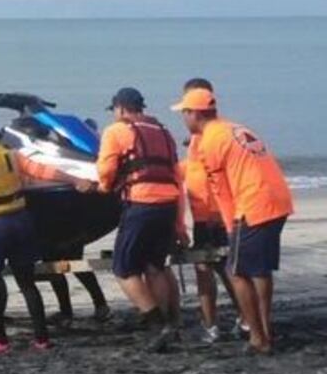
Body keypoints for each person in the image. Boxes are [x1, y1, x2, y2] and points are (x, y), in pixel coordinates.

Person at [0, 119, 96, 353]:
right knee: (27, 283)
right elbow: (43, 170)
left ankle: (0, 340)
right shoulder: (12, 156)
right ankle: (42, 339)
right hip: (20, 222)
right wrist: (75, 180)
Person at [172, 87, 294, 354]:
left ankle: (258, 338)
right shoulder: (234, 128)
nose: (183, 118)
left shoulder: (210, 140)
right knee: (259, 270)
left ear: (195, 114)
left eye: (184, 113)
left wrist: (231, 226)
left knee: (238, 273)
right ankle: (264, 329)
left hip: (253, 204)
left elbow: (221, 190)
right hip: (278, 200)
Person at [96, 87, 183, 351]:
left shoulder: (116, 131)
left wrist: (103, 186)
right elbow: (176, 174)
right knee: (154, 266)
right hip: (169, 204)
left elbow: (106, 169)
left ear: (121, 108)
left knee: (123, 269)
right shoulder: (164, 132)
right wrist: (180, 223)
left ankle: (157, 324)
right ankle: (169, 324)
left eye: (114, 110)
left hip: (141, 203)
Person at [176, 78, 244, 343]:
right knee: (208, 267)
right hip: (203, 212)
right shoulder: (199, 137)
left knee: (222, 268)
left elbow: (213, 173)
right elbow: (193, 168)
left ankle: (238, 319)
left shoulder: (214, 134)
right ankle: (215, 323)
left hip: (216, 212)